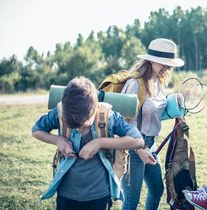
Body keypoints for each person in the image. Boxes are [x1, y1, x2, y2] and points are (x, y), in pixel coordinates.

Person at [31, 76, 144, 210]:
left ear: (96, 108)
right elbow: (36, 130)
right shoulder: (60, 113)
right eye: (73, 126)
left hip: (99, 195)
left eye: (84, 125)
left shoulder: (108, 117)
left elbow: (138, 140)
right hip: (66, 194)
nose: (79, 129)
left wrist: (99, 143)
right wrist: (57, 140)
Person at [120, 38, 185, 210]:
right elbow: (121, 122)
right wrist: (139, 149)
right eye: (164, 63)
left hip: (151, 144)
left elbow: (154, 112)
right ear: (151, 60)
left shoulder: (157, 82)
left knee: (157, 190)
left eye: (169, 64)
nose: (167, 67)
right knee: (132, 198)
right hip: (134, 146)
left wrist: (176, 111)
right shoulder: (134, 84)